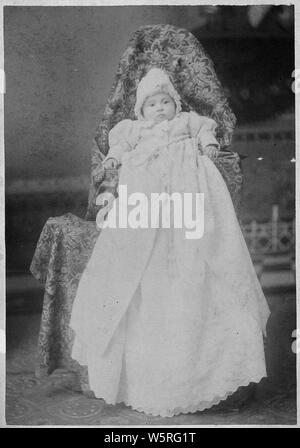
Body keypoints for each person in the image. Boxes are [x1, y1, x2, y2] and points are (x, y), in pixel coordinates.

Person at [69, 67, 270, 418]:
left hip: (187, 195)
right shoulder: (133, 131)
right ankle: (148, 379)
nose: (160, 109)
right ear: (140, 111)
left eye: (165, 102)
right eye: (152, 104)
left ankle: (207, 375)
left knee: (199, 265)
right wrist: (116, 157)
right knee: (136, 274)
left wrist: (207, 146)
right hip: (145, 206)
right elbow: (117, 146)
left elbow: (207, 130)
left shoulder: (187, 123)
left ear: (175, 105)